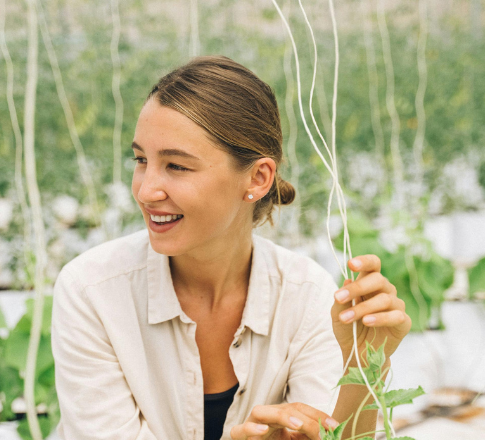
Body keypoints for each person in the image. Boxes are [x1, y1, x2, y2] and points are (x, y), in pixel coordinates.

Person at [51, 55, 412, 440]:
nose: (145, 190)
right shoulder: (93, 291)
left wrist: (364, 366)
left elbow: (331, 435)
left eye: (176, 166)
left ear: (257, 178)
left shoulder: (307, 296)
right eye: (141, 160)